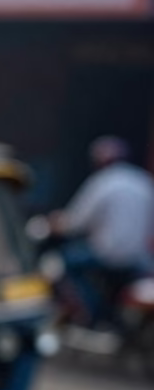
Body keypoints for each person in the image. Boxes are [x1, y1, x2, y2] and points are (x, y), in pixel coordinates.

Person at [55, 136, 154, 324]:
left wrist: (57, 223)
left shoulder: (102, 183)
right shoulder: (143, 181)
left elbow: (75, 222)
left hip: (107, 255)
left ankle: (95, 315)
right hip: (140, 258)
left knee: (69, 262)